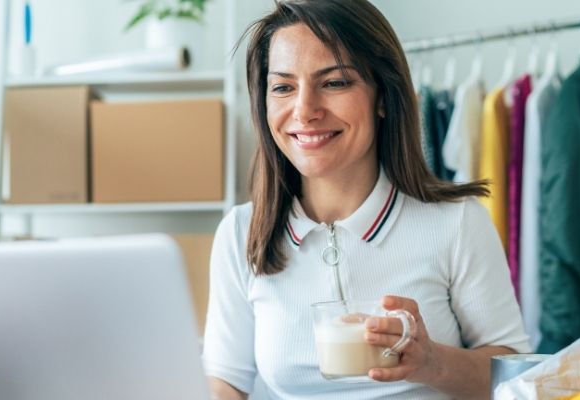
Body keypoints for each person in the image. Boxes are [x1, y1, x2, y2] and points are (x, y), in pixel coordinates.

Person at [202, 1, 530, 399]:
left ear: (382, 96)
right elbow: (226, 386)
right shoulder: (241, 233)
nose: (304, 111)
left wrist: (432, 362)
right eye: (284, 87)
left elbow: (514, 377)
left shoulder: (457, 223)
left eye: (335, 82)